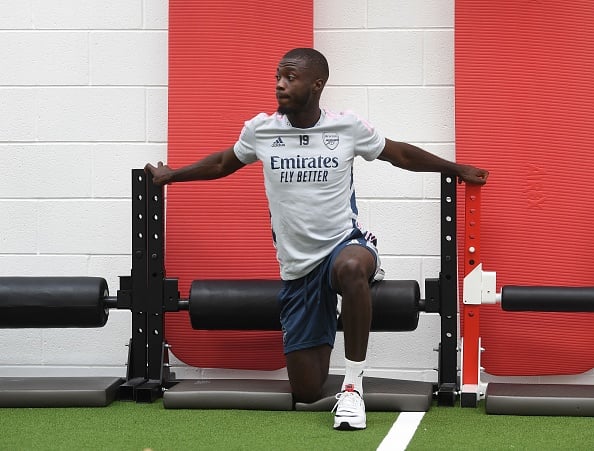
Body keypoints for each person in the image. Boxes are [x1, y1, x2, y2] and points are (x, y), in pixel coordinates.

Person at [146, 47, 488, 430]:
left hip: (345, 245)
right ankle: (326, 336)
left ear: (316, 84)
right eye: (278, 76)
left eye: (290, 77)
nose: (280, 84)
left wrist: (456, 168)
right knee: (306, 390)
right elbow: (223, 162)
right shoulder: (261, 130)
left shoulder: (346, 127)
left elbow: (399, 154)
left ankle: (353, 387)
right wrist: (173, 175)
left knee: (353, 267)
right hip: (298, 268)